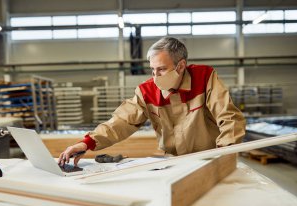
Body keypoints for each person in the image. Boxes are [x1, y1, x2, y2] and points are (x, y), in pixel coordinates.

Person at [58, 37, 246, 167]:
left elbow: (229, 117)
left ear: (181, 66)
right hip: (173, 163)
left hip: (210, 158)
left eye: (162, 70)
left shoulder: (204, 78)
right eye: (152, 70)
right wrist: (87, 143)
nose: (155, 77)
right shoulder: (146, 91)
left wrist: (224, 154)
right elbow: (121, 122)